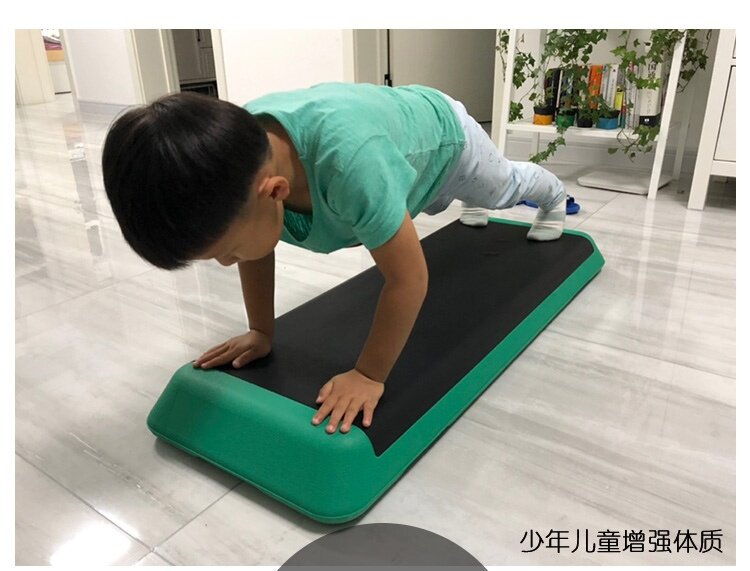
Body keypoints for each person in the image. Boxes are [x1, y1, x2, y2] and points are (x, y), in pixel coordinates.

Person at [102, 82, 567, 436]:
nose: (227, 263)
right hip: (394, 156)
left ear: (275, 192)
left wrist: (368, 375)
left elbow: (409, 280)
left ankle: (553, 194)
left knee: (501, 188)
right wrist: (261, 330)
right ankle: (473, 200)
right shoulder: (239, 164)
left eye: (226, 252)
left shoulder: (350, 167)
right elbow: (255, 247)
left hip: (446, 142)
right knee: (443, 200)